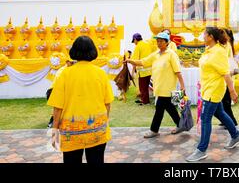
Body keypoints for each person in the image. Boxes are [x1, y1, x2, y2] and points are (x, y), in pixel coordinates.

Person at [47, 36, 114, 164]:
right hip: (97, 129)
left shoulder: (64, 74)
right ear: (92, 51)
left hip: (71, 133)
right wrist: (104, 123)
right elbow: (107, 104)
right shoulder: (100, 73)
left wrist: (54, 130)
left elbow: (57, 107)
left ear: (74, 51)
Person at [186, 27, 239, 162]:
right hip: (207, 88)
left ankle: (201, 150)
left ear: (210, 36)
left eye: (204, 34)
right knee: (220, 113)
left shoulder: (219, 52)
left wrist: (232, 91)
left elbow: (226, 73)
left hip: (214, 89)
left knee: (205, 118)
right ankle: (236, 135)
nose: (202, 37)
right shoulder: (209, 50)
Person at [126, 32, 186, 138]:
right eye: (157, 41)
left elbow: (178, 71)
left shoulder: (171, 54)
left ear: (167, 42)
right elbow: (144, 61)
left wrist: (182, 85)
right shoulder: (156, 54)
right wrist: (131, 61)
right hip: (159, 87)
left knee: (160, 108)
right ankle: (181, 125)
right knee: (169, 107)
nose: (158, 43)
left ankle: (154, 130)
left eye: (161, 41)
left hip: (167, 87)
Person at [217, 28, 238, 126]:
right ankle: (226, 121)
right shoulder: (224, 45)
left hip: (226, 75)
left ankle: (232, 121)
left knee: (225, 101)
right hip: (225, 75)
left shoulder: (226, 45)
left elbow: (225, 59)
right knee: (223, 101)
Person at [131, 33, 153, 105]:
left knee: (142, 87)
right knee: (146, 86)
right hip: (150, 69)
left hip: (143, 70)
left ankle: (145, 101)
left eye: (134, 41)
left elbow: (135, 61)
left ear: (135, 39)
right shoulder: (147, 44)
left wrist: (132, 72)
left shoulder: (138, 46)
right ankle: (144, 99)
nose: (134, 43)